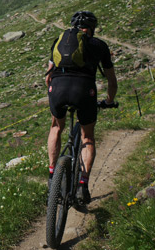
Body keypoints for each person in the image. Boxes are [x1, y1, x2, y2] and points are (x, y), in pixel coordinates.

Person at [45, 11, 117, 204]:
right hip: (84, 90)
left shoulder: (59, 42)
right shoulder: (99, 45)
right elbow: (111, 80)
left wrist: (53, 95)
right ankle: (82, 185)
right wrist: (109, 101)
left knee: (56, 127)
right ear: (91, 29)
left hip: (58, 88)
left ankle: (52, 177)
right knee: (87, 137)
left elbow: (48, 76)